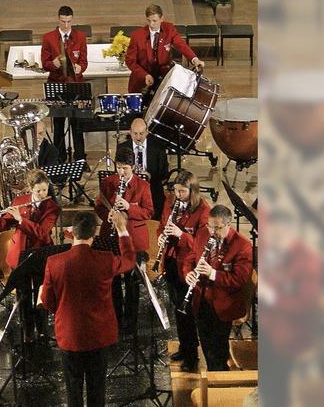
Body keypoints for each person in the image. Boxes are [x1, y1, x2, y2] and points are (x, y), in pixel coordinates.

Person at [40, 211, 135, 407]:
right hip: (98, 336)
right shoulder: (105, 259)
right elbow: (129, 260)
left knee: (73, 391)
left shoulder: (54, 262)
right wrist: (122, 229)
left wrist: (47, 298)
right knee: (97, 390)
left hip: (69, 335)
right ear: (94, 234)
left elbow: (48, 302)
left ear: (72, 232)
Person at [0, 169, 60, 340]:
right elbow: (5, 224)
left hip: (40, 253)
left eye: (44, 190)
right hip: (20, 253)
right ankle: (28, 331)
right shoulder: (20, 201)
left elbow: (43, 234)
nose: (42, 194)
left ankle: (43, 329)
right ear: (31, 189)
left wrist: (22, 220)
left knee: (40, 292)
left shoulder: (52, 207)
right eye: (38, 190)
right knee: (23, 295)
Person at [184, 205, 252, 371]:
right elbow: (190, 258)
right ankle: (214, 373)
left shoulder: (242, 246)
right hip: (201, 301)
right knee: (206, 346)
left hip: (223, 306)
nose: (212, 231)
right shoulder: (202, 234)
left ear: (229, 224)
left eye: (217, 228)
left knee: (218, 351)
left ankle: (218, 380)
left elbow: (240, 279)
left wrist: (212, 273)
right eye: (210, 226)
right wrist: (188, 273)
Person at [94, 147, 153, 333]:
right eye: (118, 168)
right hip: (111, 237)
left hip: (133, 239)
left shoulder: (143, 186)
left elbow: (149, 212)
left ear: (133, 167)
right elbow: (99, 205)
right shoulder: (108, 182)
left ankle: (131, 324)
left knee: (132, 282)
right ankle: (115, 319)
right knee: (112, 281)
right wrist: (108, 215)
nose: (121, 172)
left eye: (125, 168)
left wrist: (129, 207)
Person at [156, 170, 210, 372]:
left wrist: (181, 235)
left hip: (188, 267)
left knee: (186, 311)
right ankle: (184, 345)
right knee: (177, 309)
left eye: (182, 191)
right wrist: (162, 235)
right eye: (176, 190)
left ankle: (191, 354)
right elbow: (162, 225)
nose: (177, 195)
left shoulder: (203, 211)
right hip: (170, 261)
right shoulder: (170, 202)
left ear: (193, 190)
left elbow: (203, 244)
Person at [41, 5, 88, 163]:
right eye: (63, 21)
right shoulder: (48, 37)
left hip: (75, 84)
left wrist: (80, 68)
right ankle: (59, 158)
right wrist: (53, 64)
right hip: (56, 84)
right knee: (59, 124)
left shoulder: (80, 36)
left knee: (77, 124)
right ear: (58, 19)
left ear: (72, 19)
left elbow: (84, 61)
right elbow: (44, 63)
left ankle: (80, 158)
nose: (66, 25)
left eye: (69, 22)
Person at [125, 4, 204, 95]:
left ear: (162, 18)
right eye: (149, 21)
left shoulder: (169, 29)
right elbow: (130, 61)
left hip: (163, 81)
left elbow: (181, 45)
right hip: (141, 84)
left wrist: (195, 59)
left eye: (154, 21)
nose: (151, 24)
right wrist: (144, 75)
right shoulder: (137, 35)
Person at [121, 118, 169, 219]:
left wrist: (150, 176)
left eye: (141, 133)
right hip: (130, 189)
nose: (138, 137)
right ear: (130, 132)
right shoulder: (122, 148)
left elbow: (164, 174)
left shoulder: (158, 148)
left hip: (152, 189)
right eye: (135, 133)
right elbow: (119, 173)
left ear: (147, 132)